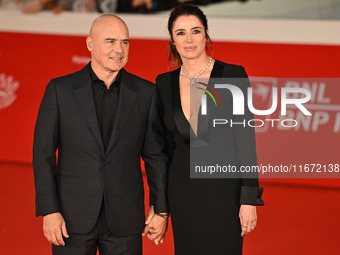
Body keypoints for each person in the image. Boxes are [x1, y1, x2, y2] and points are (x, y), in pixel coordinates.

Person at [33, 14, 168, 255]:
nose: (119, 49)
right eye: (110, 41)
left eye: (125, 42)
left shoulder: (146, 93)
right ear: (90, 44)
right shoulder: (59, 90)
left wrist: (160, 209)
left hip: (125, 218)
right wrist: (49, 211)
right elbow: (42, 155)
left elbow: (155, 155)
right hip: (71, 218)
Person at [154, 4, 264, 255]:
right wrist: (160, 206)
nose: (189, 39)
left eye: (195, 31)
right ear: (172, 39)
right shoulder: (163, 83)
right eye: (180, 33)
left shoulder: (233, 75)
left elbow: (245, 141)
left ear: (206, 34)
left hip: (225, 193)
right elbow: (161, 150)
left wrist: (249, 198)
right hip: (182, 193)